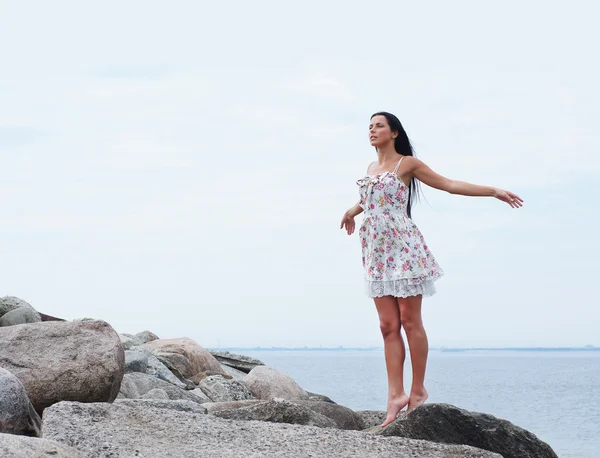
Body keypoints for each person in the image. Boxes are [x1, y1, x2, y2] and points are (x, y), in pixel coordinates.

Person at [340, 111, 523, 428]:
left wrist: (493, 190)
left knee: (410, 321)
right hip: (376, 252)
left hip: (403, 248)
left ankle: (418, 390)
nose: (372, 130)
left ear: (394, 132)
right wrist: (351, 210)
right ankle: (395, 395)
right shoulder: (370, 169)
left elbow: (449, 184)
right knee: (387, 326)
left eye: (379, 126)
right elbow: (369, 199)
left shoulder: (406, 164)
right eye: (369, 127)